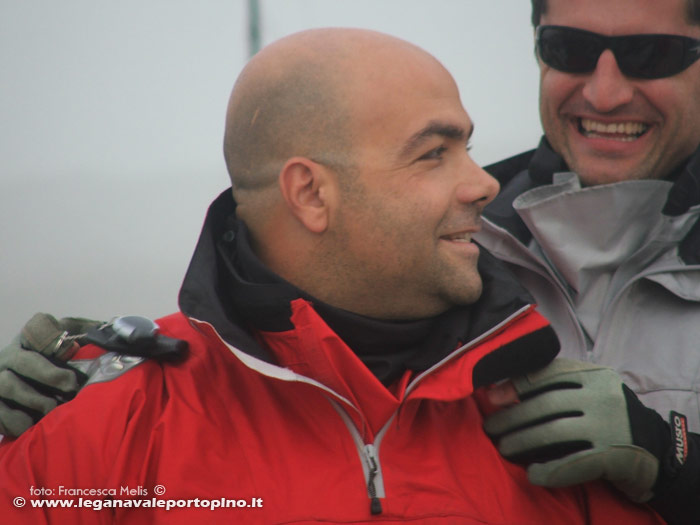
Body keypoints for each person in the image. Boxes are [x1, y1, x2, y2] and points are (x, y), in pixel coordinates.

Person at [0, 28, 665, 524]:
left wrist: (677, 464)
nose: (482, 182)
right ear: (311, 194)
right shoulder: (107, 425)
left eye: (468, 145)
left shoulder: (559, 428)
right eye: (434, 153)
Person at [474, 0, 700, 523]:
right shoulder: (449, 242)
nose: (604, 94)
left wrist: (670, 457)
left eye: (651, 54)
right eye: (569, 49)